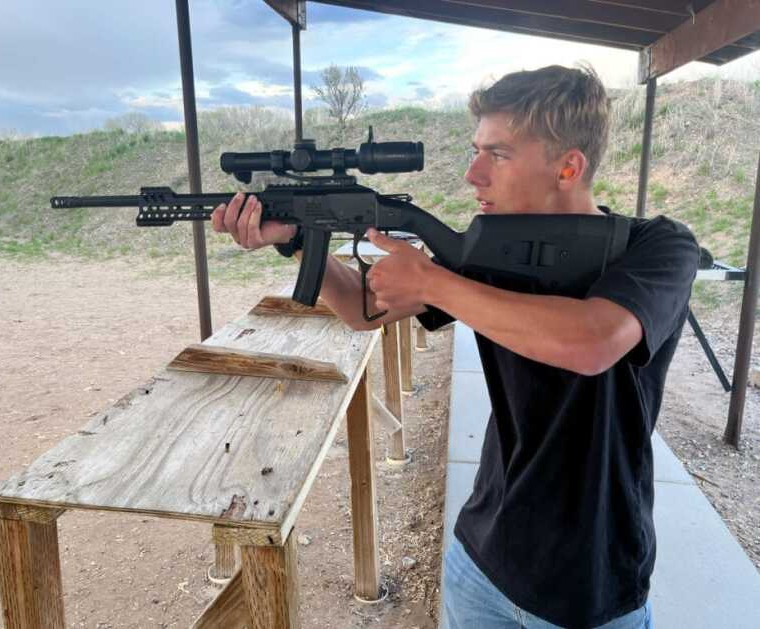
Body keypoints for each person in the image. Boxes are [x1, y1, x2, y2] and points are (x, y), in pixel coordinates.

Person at [211, 65, 699, 628]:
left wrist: (434, 280)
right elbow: (362, 311)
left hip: (588, 586)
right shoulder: (487, 253)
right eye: (475, 151)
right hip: (481, 559)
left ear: (569, 166)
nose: (473, 174)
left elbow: (592, 341)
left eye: (498, 154)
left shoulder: (659, 245)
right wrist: (300, 240)